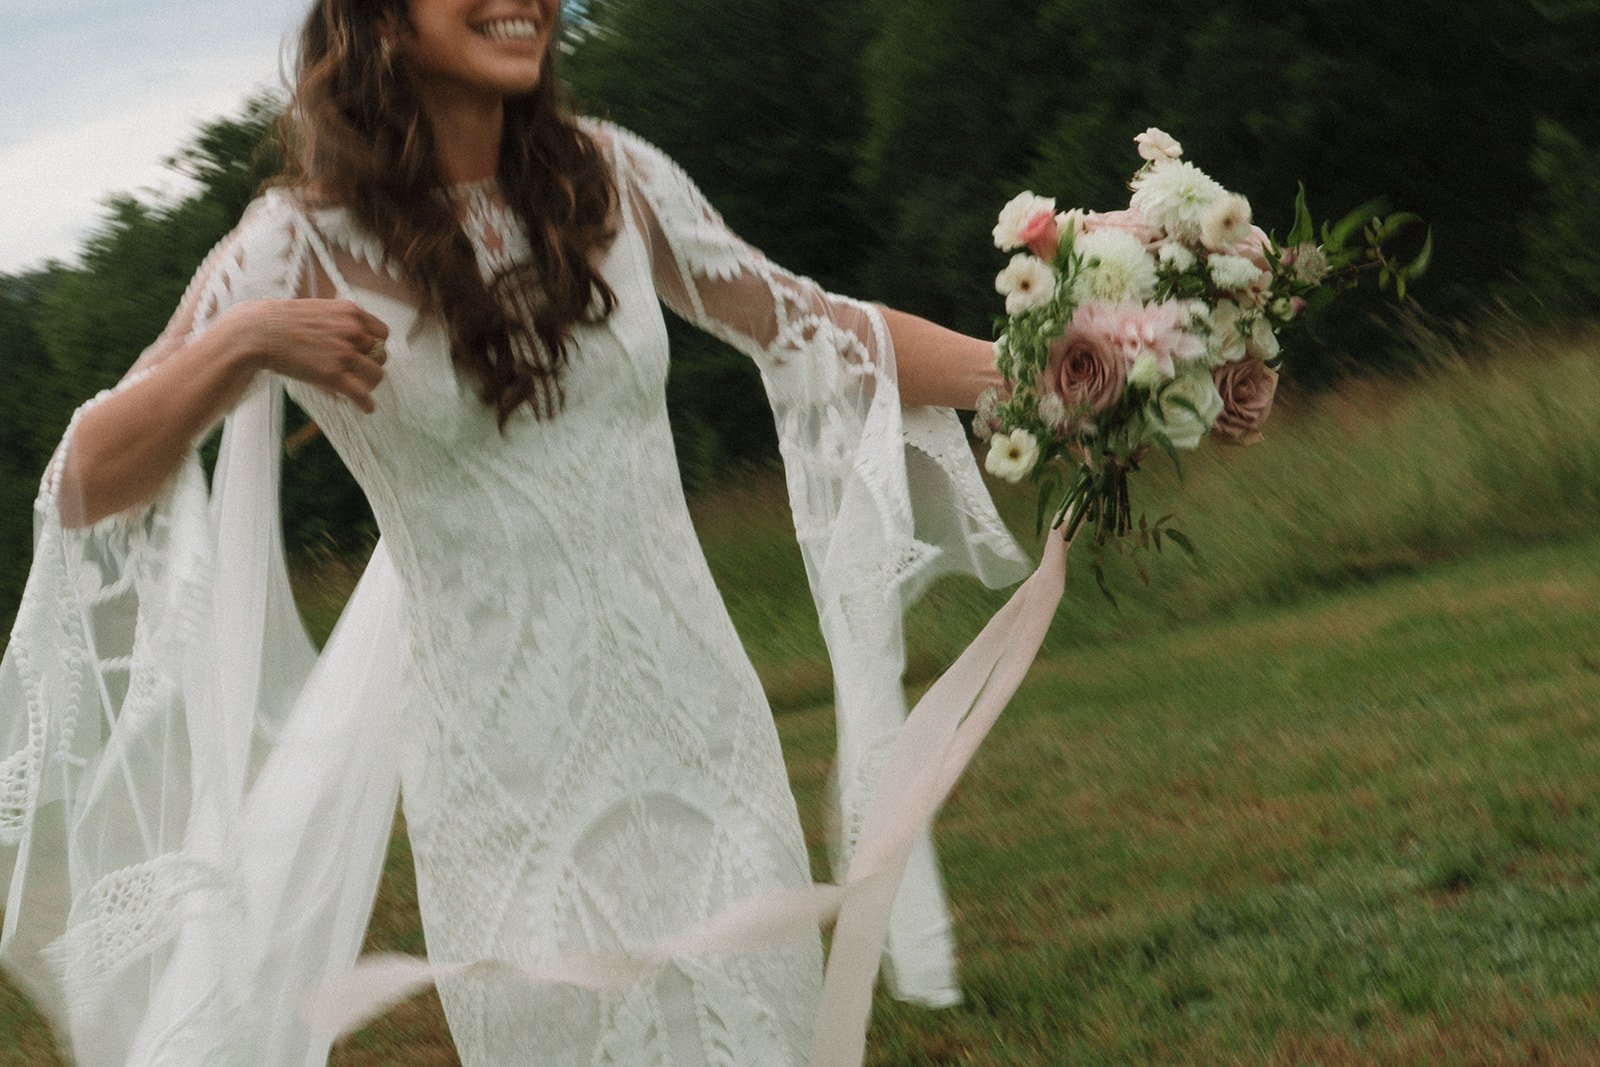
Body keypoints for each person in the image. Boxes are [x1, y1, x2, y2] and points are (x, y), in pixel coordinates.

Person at [0, 0, 1030, 1063]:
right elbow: (86, 480)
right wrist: (246, 342)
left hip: (703, 737)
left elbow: (817, 331)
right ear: (382, 22)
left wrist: (1047, 370)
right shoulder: (293, 248)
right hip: (505, 777)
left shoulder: (615, 177)